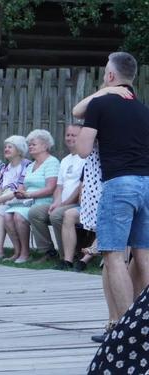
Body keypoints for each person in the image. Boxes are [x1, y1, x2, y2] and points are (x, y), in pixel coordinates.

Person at [75, 52, 149, 350]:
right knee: (143, 256)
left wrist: (101, 96)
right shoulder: (144, 109)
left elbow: (82, 149)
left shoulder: (100, 104)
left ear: (109, 76)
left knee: (113, 256)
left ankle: (124, 329)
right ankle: (143, 325)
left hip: (119, 184)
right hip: (147, 183)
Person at [27, 125, 85, 262]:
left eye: (74, 135)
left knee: (57, 215)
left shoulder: (85, 158)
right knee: (35, 212)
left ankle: (67, 255)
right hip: (63, 203)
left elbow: (80, 187)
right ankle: (48, 251)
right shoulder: (65, 160)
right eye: (68, 135)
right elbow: (59, 186)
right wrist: (57, 202)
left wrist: (64, 203)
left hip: (77, 203)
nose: (70, 138)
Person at [4, 129, 59, 263]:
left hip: (45, 201)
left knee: (18, 216)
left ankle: (26, 253)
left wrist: (29, 194)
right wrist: (20, 192)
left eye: (34, 144)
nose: (30, 147)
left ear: (45, 146)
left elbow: (51, 188)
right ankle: (18, 251)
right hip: (28, 201)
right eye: (29, 144)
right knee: (7, 215)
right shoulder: (31, 165)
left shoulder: (52, 162)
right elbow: (23, 185)